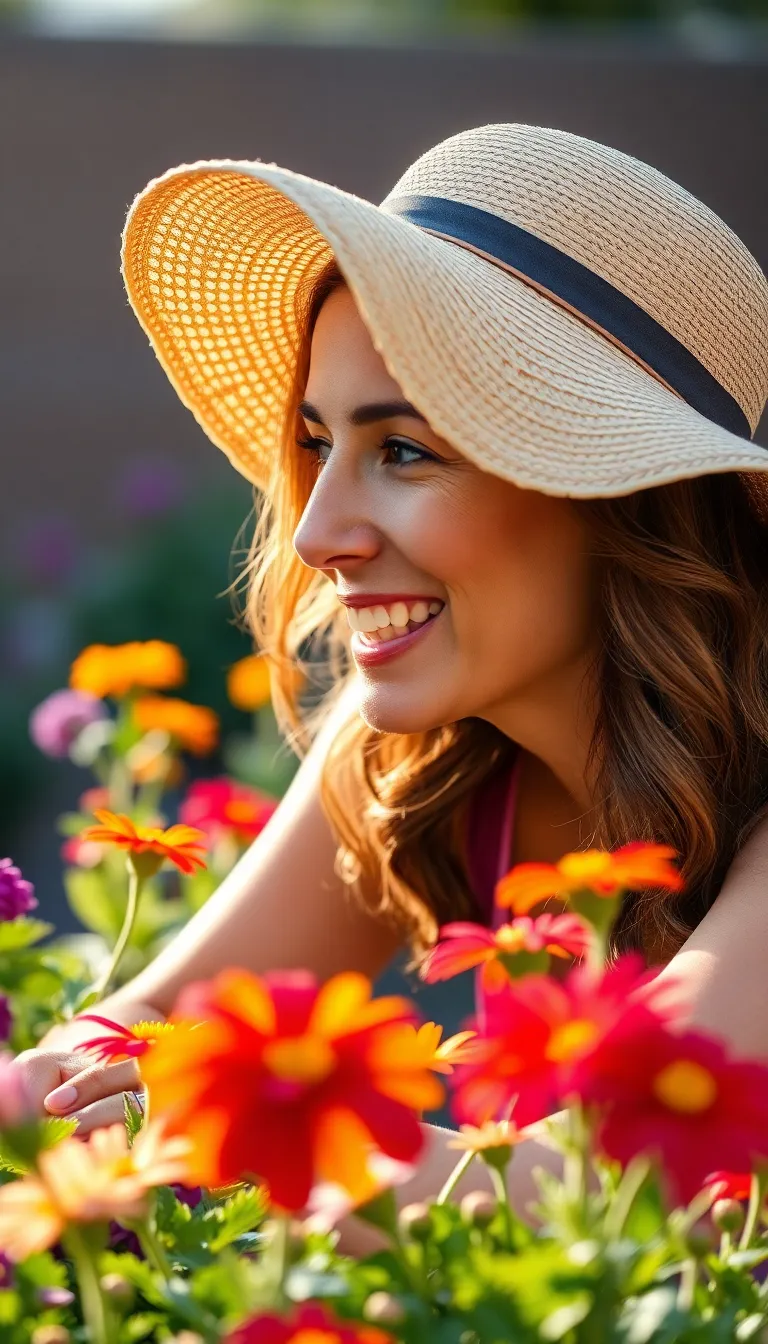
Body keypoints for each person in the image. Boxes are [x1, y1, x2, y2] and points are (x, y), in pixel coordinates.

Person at [12, 123, 768, 1233]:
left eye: (406, 450)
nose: (319, 534)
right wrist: (67, 1078)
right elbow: (154, 1014)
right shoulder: (426, 752)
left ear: (619, 497)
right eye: (318, 444)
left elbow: (618, 1208)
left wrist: (219, 1105)